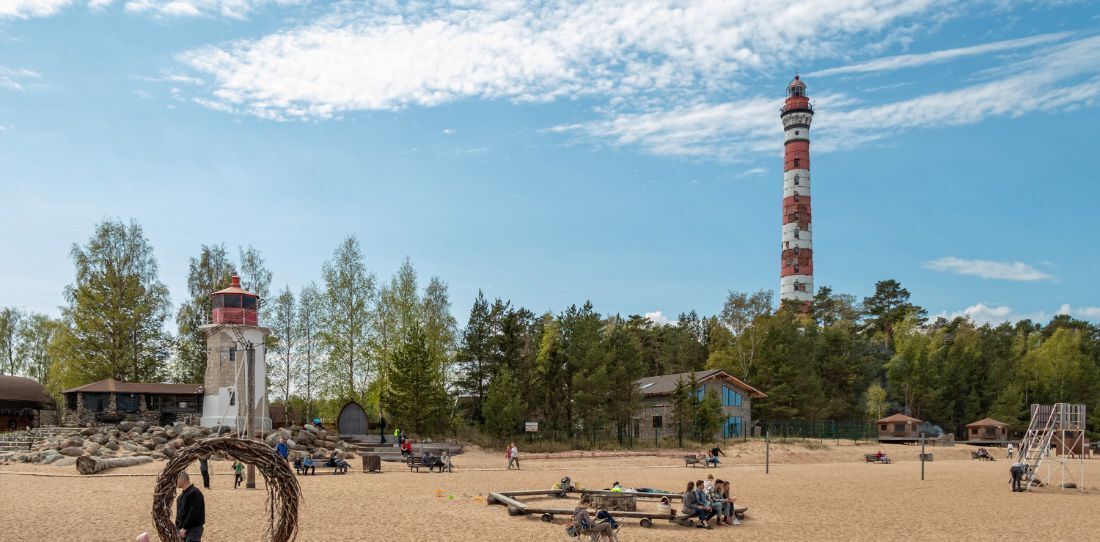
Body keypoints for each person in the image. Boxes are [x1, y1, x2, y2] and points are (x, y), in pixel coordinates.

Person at [174, 472, 205, 541]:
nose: (176, 482)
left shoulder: (194, 493)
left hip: (193, 529)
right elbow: (179, 514)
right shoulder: (181, 497)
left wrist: (184, 528)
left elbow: (193, 513)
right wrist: (178, 528)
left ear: (182, 479)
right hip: (182, 530)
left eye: (177, 479)